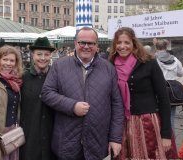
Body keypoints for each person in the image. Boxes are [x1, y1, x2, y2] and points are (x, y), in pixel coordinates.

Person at [41, 27, 124, 160]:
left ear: (97, 46)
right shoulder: (60, 65)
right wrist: (72, 106)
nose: (86, 46)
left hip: (98, 142)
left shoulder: (108, 68)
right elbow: (46, 93)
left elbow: (117, 105)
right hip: (67, 141)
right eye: (82, 42)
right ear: (75, 43)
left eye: (91, 43)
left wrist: (115, 138)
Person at [109, 27, 177, 159]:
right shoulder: (110, 64)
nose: (122, 46)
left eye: (126, 42)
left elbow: (163, 98)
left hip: (148, 124)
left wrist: (166, 134)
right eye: (118, 42)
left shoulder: (148, 62)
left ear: (134, 44)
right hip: (121, 123)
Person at [20, 37, 56, 160]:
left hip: (52, 134)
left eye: (46, 54)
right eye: (39, 54)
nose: (43, 58)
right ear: (32, 55)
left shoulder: (56, 76)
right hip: (29, 134)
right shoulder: (23, 77)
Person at [155, 39, 183, 129]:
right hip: (172, 90)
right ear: (166, 47)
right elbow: (182, 73)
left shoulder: (154, 59)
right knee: (171, 116)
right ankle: (171, 141)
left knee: (157, 116)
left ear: (156, 48)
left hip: (158, 90)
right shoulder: (175, 59)